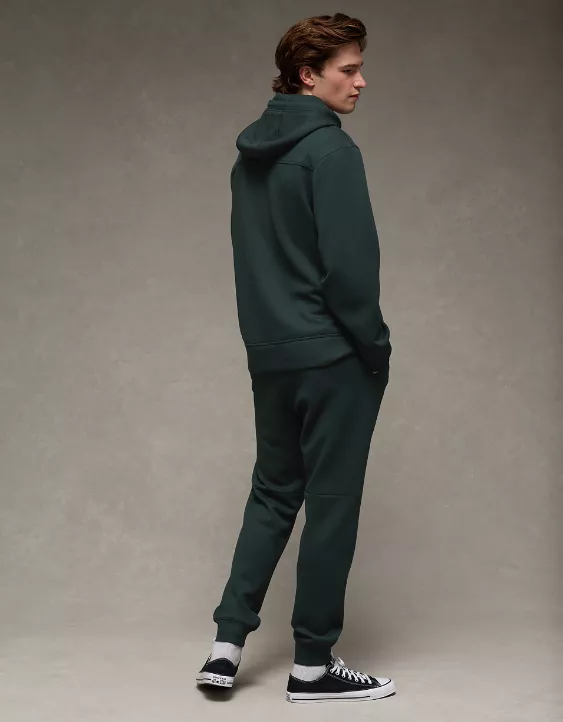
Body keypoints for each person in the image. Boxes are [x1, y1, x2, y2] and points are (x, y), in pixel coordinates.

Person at [196, 13, 395, 704]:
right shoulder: (331, 151)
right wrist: (375, 349)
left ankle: (225, 647)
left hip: (271, 354)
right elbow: (351, 274)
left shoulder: (247, 157)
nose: (360, 82)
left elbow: (252, 266)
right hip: (333, 357)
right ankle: (312, 667)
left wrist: (267, 341)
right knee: (330, 503)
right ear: (308, 75)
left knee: (273, 492)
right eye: (348, 69)